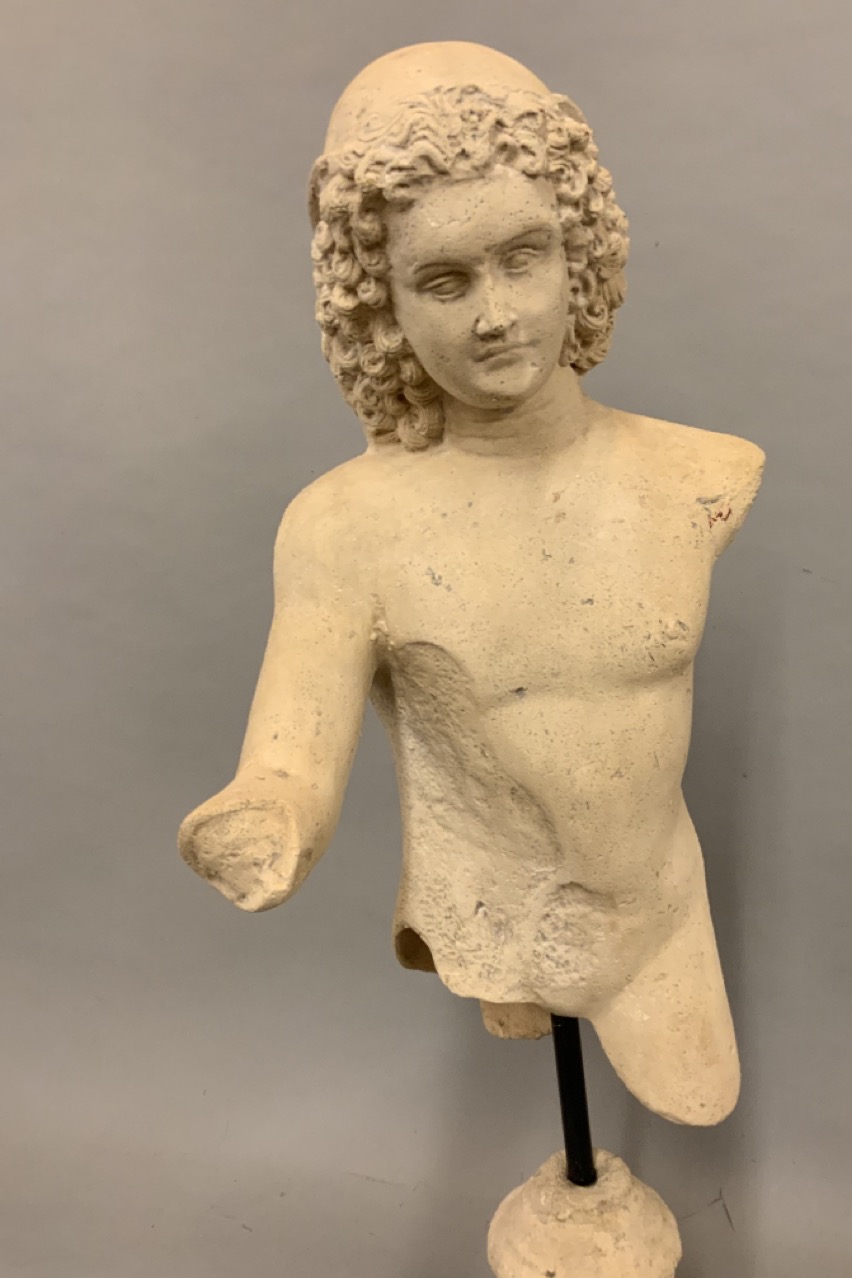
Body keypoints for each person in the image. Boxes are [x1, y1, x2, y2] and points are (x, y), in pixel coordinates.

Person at [179, 43, 764, 1127]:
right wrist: (266, 816)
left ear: (578, 253)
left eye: (522, 258)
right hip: (497, 916)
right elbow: (293, 750)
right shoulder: (347, 527)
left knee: (700, 1088)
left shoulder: (699, 473)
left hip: (662, 905)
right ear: (380, 305)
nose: (495, 314)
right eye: (444, 281)